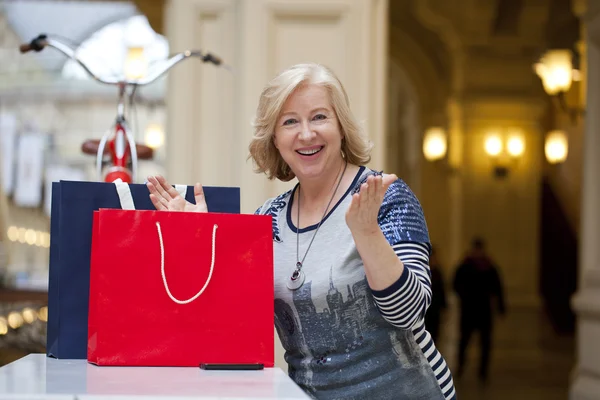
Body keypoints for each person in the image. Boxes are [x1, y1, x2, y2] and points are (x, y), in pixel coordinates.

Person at [146, 63, 456, 400]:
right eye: (290, 121)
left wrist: (366, 232)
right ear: (275, 140)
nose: (306, 134)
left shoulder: (384, 197)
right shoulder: (268, 218)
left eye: (319, 117)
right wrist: (201, 238)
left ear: (341, 127)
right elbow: (233, 322)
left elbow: (408, 313)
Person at [453, 237, 506, 383]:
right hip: (469, 309)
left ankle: (483, 371)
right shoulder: (465, 266)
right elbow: (456, 284)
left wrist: (501, 307)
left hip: (484, 310)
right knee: (464, 340)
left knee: (485, 342)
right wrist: (464, 296)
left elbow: (498, 288)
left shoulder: (489, 266)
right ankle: (461, 366)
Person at [425, 246, 448, 343]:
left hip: (434, 309)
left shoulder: (437, 272)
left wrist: (443, 306)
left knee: (434, 336)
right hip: (422, 311)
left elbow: (442, 291)